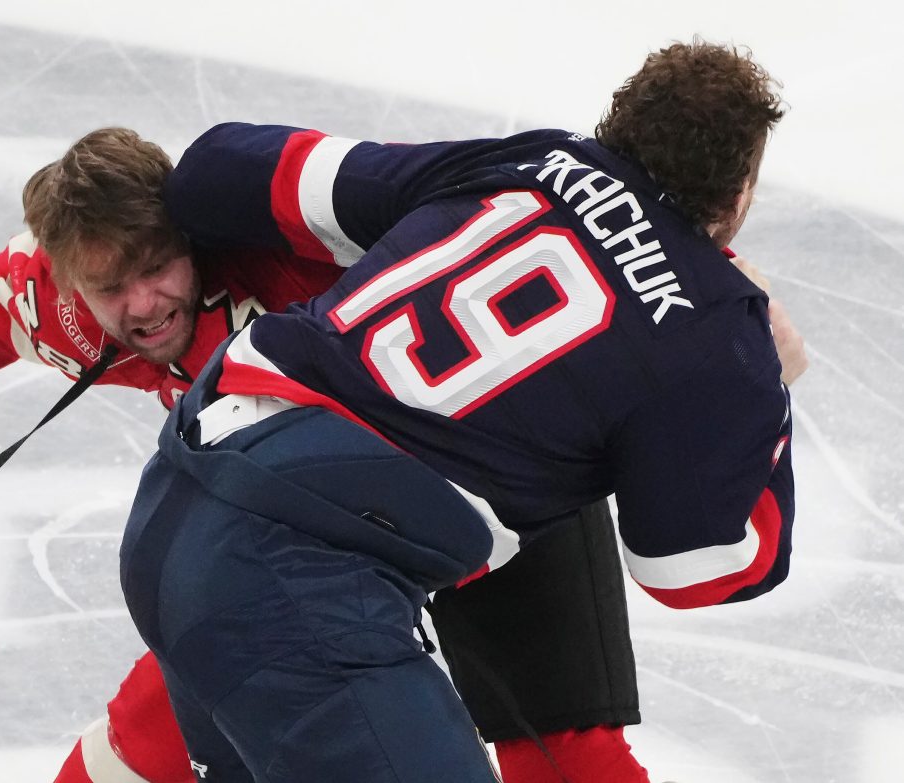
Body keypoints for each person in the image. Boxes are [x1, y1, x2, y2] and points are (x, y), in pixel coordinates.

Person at [0, 128, 661, 782]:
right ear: (65, 283)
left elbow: (504, 218)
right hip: (315, 533)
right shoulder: (64, 309)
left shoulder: (291, 244)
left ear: (190, 235)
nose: (142, 305)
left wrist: (682, 286)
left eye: (157, 268)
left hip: (492, 483)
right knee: (150, 739)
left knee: (568, 758)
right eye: (108, 288)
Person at [117, 39, 805, 783]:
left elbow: (217, 170)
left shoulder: (523, 160)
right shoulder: (718, 325)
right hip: (299, 579)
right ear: (739, 194)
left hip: (176, 497)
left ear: (617, 126)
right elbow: (693, 569)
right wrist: (773, 400)